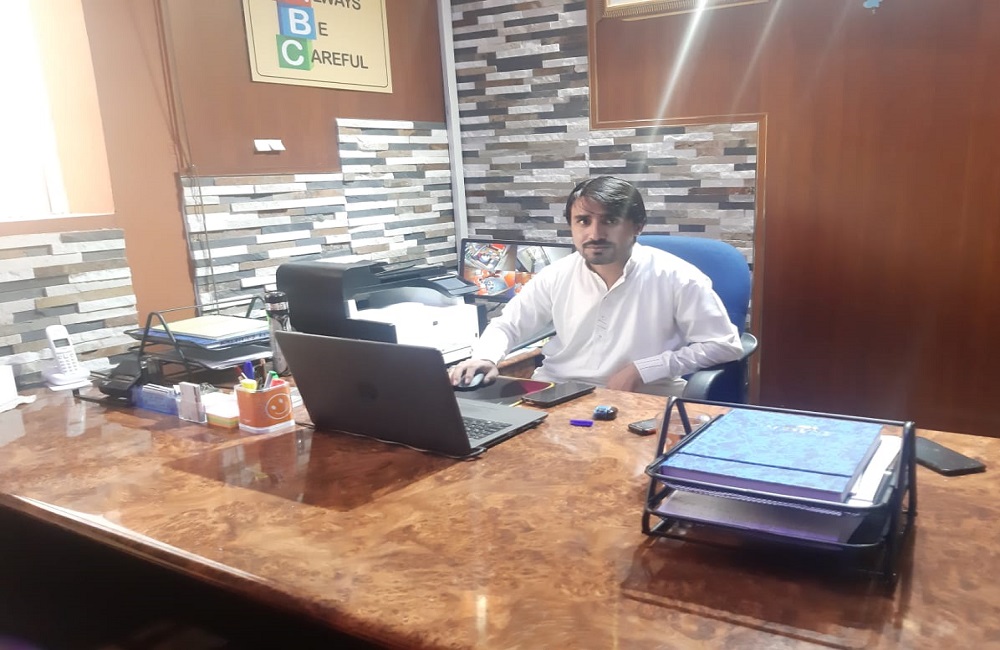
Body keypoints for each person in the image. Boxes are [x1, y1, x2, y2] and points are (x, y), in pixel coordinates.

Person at [448, 176, 744, 396]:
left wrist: (646, 368)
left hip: (643, 397)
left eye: (610, 221)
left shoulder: (678, 277)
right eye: (583, 221)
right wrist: (485, 357)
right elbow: (508, 325)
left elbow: (724, 346)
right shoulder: (556, 275)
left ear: (637, 226)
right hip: (557, 393)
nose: (595, 233)